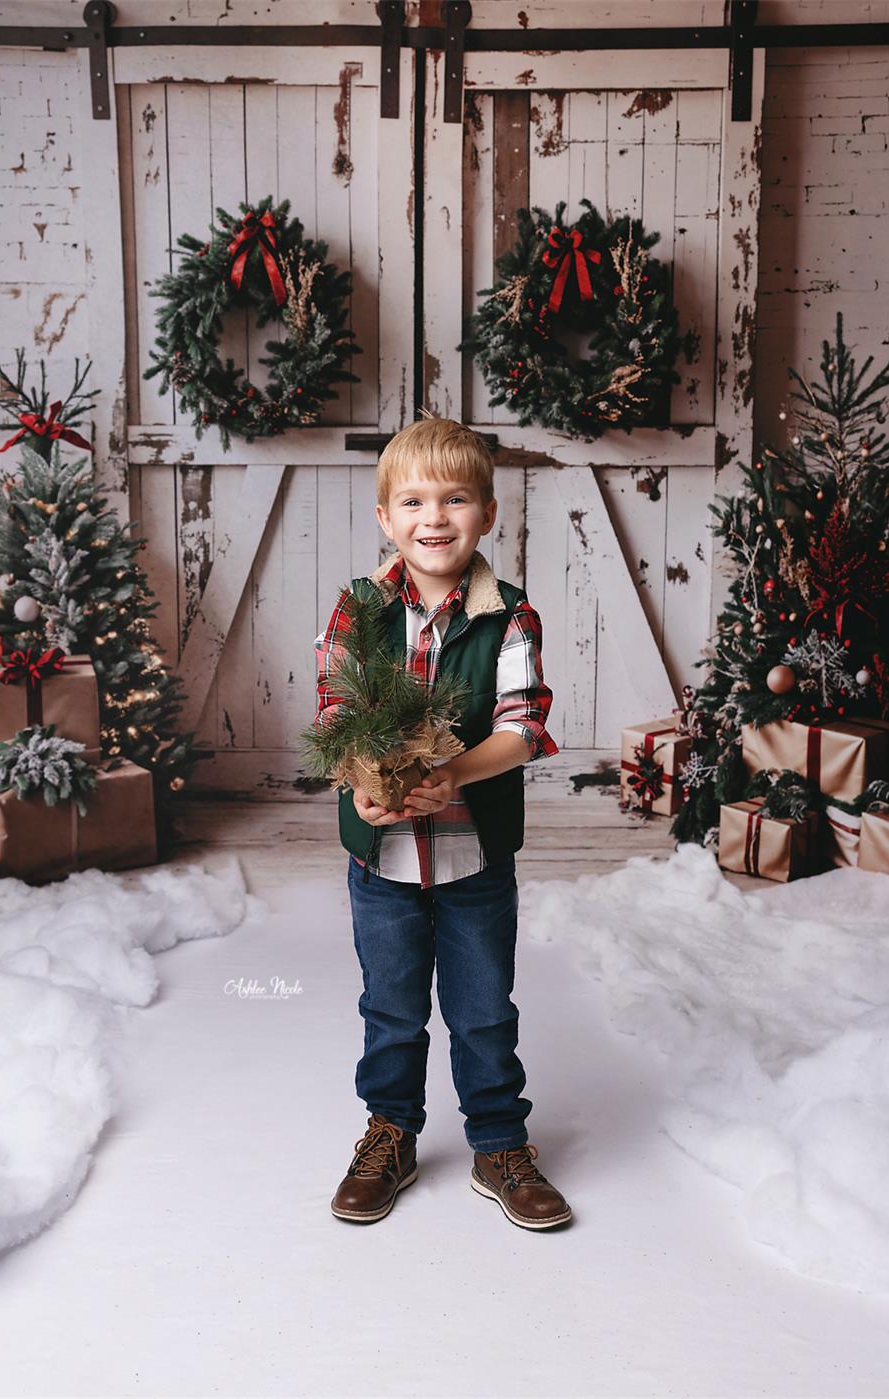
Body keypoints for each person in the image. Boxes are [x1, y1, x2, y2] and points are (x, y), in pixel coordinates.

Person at [313, 415, 573, 1231]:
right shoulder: (360, 610)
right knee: (390, 1006)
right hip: (382, 862)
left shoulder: (510, 616)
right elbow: (336, 709)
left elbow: (523, 725)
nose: (436, 517)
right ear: (386, 518)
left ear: (488, 513)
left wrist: (453, 772)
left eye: (456, 499)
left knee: (483, 1006)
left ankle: (498, 1141)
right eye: (415, 501)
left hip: (473, 860)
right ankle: (390, 1131)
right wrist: (360, 785)